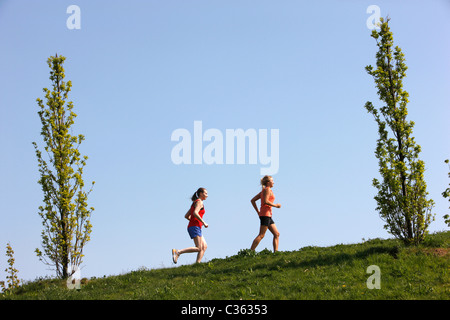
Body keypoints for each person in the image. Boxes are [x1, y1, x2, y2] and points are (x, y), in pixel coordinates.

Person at [172, 188, 209, 264]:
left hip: (195, 226)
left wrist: (195, 221)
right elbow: (195, 213)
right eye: (205, 193)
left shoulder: (195, 202)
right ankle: (178, 252)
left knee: (204, 246)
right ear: (200, 194)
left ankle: (197, 264)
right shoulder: (199, 202)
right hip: (195, 227)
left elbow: (186, 216)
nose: (207, 195)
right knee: (199, 248)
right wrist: (203, 222)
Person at [250, 175, 281, 252]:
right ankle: (250, 252)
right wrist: (276, 205)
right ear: (268, 183)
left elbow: (253, 200)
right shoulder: (267, 190)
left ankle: (276, 253)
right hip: (265, 215)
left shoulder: (264, 190)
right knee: (261, 235)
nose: (273, 182)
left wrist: (258, 211)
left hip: (267, 215)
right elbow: (266, 201)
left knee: (276, 234)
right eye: (272, 181)